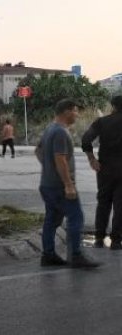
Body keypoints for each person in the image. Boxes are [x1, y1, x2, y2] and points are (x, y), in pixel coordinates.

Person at [35, 98, 100, 268]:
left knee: (52, 219)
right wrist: (68, 184)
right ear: (67, 112)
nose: (77, 115)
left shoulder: (50, 128)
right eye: (76, 111)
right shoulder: (61, 132)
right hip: (60, 187)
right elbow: (60, 159)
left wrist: (48, 167)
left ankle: (48, 255)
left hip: (47, 184)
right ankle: (76, 255)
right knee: (76, 217)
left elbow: (38, 150)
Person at [81, 95, 122, 250]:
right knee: (120, 205)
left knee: (103, 202)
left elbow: (86, 139)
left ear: (113, 106)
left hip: (104, 169)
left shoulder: (102, 122)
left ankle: (99, 237)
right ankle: (116, 240)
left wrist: (92, 159)